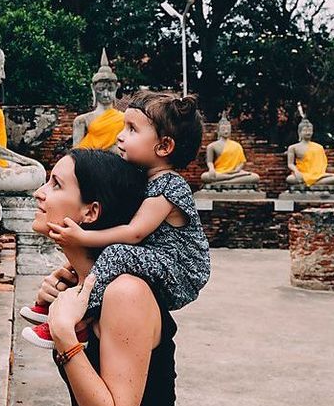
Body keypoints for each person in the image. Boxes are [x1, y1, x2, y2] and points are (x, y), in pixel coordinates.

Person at [30, 149, 202, 406]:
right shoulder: (89, 290)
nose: (40, 192)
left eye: (56, 183)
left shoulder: (126, 293)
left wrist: (65, 336)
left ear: (90, 212)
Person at [21, 91, 210, 346]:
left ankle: (79, 319)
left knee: (116, 254)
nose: (120, 136)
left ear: (164, 146)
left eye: (132, 129)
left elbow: (134, 233)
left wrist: (83, 235)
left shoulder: (169, 185)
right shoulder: (145, 180)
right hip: (156, 259)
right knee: (93, 263)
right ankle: (59, 302)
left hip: (178, 269)